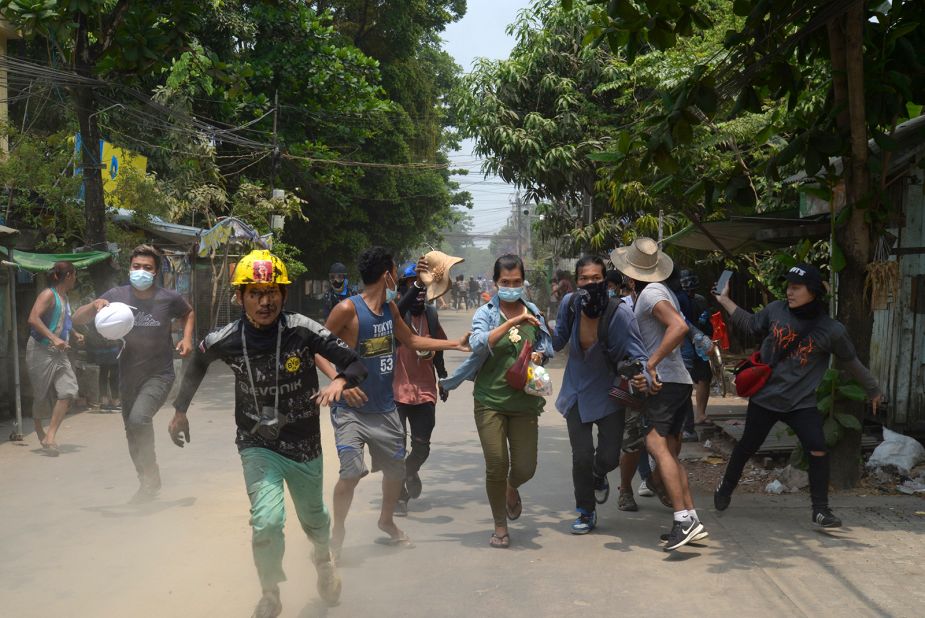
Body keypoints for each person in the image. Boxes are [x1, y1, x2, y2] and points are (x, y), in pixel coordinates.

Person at [169, 250, 362, 616]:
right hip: (256, 443)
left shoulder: (303, 329)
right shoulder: (226, 337)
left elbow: (354, 362)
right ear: (240, 297)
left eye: (271, 291)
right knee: (267, 521)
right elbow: (196, 362)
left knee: (314, 519)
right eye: (254, 292)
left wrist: (338, 380)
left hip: (304, 443)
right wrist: (180, 410)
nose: (264, 301)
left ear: (283, 295)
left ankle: (323, 563)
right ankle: (270, 592)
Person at [316, 247, 469, 554]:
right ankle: (338, 528)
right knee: (350, 473)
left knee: (396, 471)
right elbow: (317, 347)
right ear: (387, 274)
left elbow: (411, 340)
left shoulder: (390, 310)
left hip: (385, 407)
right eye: (396, 271)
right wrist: (338, 382)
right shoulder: (347, 309)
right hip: (351, 410)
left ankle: (386, 521)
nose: (398, 277)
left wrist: (454, 343)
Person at [712, 263, 882, 527]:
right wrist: (724, 299)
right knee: (747, 446)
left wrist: (873, 390)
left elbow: (852, 362)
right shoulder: (775, 310)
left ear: (812, 291)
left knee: (817, 449)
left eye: (796, 287)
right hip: (765, 398)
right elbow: (750, 323)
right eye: (788, 287)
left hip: (800, 403)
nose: (789, 292)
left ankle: (821, 510)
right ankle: (726, 488)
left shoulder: (831, 330)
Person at [440, 254, 554, 548]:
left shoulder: (535, 312)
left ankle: (511, 487)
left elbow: (546, 346)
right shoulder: (485, 313)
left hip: (525, 402)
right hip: (489, 399)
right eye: (506, 282)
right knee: (496, 463)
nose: (512, 287)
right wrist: (513, 320)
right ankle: (500, 526)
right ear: (495, 283)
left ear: (523, 281)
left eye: (517, 282)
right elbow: (479, 343)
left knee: (525, 468)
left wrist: (541, 354)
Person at [73, 244, 195, 502]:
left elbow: (188, 312)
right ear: (130, 268)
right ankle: (146, 481)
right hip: (127, 375)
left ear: (156, 272)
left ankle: (152, 475)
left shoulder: (167, 297)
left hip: (159, 374)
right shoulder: (117, 295)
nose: (141, 271)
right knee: (131, 430)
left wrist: (186, 338)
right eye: (136, 266)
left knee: (139, 420)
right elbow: (77, 318)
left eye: (147, 268)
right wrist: (95, 305)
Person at [611, 237, 706, 551]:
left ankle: (681, 519)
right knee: (668, 452)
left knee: (654, 444)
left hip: (664, 381)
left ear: (629, 274)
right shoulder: (661, 291)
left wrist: (650, 364)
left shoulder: (651, 293)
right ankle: (690, 517)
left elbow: (678, 327)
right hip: (676, 380)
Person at [552, 256, 649, 534]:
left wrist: (645, 377)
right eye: (584, 278)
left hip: (609, 395)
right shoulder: (569, 304)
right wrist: (536, 344)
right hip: (575, 393)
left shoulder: (619, 313)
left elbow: (638, 354)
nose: (590, 283)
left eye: (596, 278)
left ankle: (599, 475)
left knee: (607, 458)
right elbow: (557, 340)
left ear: (605, 281)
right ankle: (585, 511)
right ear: (577, 281)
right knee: (580, 456)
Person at [392, 263, 449, 516]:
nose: (420, 291)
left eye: (424, 286)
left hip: (425, 390)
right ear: (403, 288)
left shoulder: (432, 316)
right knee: (395, 447)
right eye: (414, 285)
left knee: (422, 447)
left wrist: (444, 377)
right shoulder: (395, 315)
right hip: (396, 391)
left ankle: (409, 471)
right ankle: (399, 495)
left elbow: (437, 347)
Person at [26, 261, 80, 455]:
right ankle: (40, 431)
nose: (76, 279)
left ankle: (51, 435)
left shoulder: (64, 297)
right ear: (68, 276)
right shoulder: (48, 294)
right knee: (41, 394)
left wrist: (73, 333)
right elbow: (33, 318)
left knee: (68, 390)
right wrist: (53, 338)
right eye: (74, 275)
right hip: (40, 349)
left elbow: (62, 318)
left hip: (59, 351)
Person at [680, 269, 714, 425]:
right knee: (683, 383)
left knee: (704, 378)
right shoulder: (677, 300)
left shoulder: (700, 300)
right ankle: (685, 420)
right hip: (682, 345)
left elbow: (709, 327)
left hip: (699, 346)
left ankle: (700, 414)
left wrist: (704, 323)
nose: (690, 290)